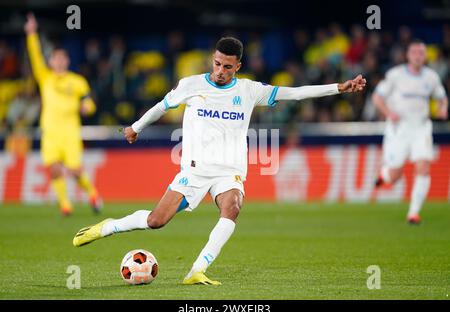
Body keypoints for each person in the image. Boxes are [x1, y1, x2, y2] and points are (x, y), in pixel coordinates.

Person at [73, 37, 366, 285]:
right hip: (195, 171)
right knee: (155, 221)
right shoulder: (191, 84)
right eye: (217, 64)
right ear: (212, 60)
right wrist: (135, 128)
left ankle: (197, 270)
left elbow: (295, 94)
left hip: (230, 171)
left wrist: (339, 87)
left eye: (227, 66)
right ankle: (109, 227)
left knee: (233, 206)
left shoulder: (249, 91)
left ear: (237, 66)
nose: (220, 71)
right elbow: (162, 106)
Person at [24, 13, 102, 216]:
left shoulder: (77, 82)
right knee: (54, 169)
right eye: (55, 58)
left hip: (70, 133)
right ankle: (65, 205)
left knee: (75, 171)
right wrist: (32, 34)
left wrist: (88, 107)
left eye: (61, 58)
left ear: (67, 61)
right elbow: (35, 56)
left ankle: (93, 194)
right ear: (51, 61)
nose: (58, 62)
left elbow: (89, 103)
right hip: (50, 132)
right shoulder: (45, 77)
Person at [372, 39, 448, 225]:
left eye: (421, 53)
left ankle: (413, 213)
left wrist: (443, 108)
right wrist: (389, 113)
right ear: (407, 55)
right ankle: (385, 174)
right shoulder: (395, 75)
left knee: (423, 166)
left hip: (421, 127)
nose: (418, 56)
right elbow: (377, 97)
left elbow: (442, 97)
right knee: (395, 175)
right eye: (414, 52)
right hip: (400, 129)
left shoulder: (431, 77)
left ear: (425, 56)